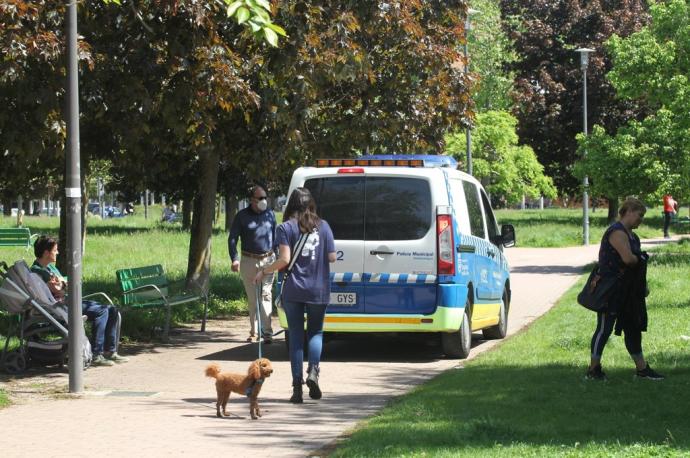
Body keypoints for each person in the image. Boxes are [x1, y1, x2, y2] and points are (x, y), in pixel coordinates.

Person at [253, 187, 336, 403]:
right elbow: (333, 257)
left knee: (297, 338)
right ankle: (314, 373)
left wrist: (264, 271)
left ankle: (297, 388)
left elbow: (284, 260)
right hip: (318, 288)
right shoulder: (324, 226)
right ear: (312, 204)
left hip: (294, 290)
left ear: (291, 205)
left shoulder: (285, 228)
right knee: (316, 332)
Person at [586, 197, 663, 381]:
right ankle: (593, 369)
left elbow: (634, 265)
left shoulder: (633, 236)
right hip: (611, 289)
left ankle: (642, 369)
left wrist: (642, 285)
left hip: (628, 290)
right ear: (628, 211)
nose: (641, 219)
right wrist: (641, 259)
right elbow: (629, 259)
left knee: (633, 327)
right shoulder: (616, 232)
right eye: (640, 214)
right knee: (604, 329)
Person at [31, 236, 128, 367]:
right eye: (55, 250)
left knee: (112, 309)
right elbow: (59, 288)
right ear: (46, 253)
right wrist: (63, 285)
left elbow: (64, 284)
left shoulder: (50, 268)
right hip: (60, 307)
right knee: (102, 311)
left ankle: (110, 351)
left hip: (67, 301)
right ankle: (97, 354)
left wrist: (62, 284)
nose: (58, 253)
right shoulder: (38, 271)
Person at [228, 185, 277, 343]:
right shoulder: (241, 216)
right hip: (248, 261)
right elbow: (232, 239)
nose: (264, 201)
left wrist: (279, 259)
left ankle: (267, 333)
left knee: (266, 296)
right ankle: (254, 332)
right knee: (252, 298)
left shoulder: (270, 214)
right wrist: (234, 258)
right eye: (260, 198)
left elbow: (275, 238)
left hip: (268, 260)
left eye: (265, 197)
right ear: (252, 200)